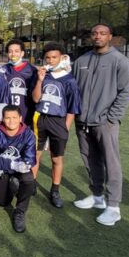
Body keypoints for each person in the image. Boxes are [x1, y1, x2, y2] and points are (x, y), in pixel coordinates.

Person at [73, 23, 129, 226]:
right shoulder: (82, 60)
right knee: (90, 160)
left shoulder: (120, 61)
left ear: (110, 37)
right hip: (82, 121)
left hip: (105, 123)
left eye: (102, 33)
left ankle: (114, 206)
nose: (98, 36)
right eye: (94, 33)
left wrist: (111, 117)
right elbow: (73, 88)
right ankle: (97, 196)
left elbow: (127, 92)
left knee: (111, 162)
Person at [32, 42, 81, 209]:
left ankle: (55, 190)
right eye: (48, 57)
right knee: (35, 155)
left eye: (54, 57)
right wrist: (39, 80)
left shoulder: (69, 80)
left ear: (62, 57)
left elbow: (72, 109)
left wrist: (65, 128)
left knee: (56, 158)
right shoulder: (43, 75)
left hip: (58, 121)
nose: (51, 60)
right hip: (40, 118)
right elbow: (36, 99)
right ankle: (32, 184)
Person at [0, 105, 37, 233]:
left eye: (14, 117)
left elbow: (30, 159)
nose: (11, 121)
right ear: (3, 119)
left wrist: (17, 166)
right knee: (3, 202)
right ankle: (12, 184)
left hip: (19, 170)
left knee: (29, 179)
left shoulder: (28, 134)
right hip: (2, 171)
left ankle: (20, 212)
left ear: (20, 118)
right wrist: (10, 166)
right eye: (7, 118)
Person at [0, 39, 38, 127]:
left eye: (16, 51)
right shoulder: (3, 69)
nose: (13, 54)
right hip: (7, 115)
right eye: (10, 51)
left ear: (22, 53)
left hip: (26, 115)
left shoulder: (32, 70)